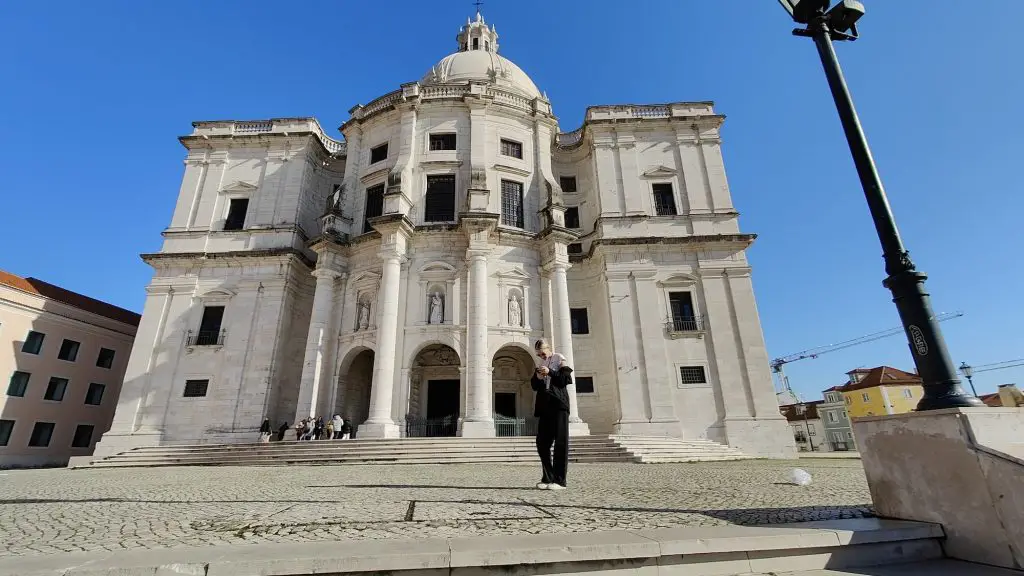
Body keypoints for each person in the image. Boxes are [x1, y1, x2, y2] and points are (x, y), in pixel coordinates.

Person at [531, 338, 571, 490]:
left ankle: (560, 481)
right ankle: (548, 478)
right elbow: (534, 387)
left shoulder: (559, 359)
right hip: (545, 407)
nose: (541, 356)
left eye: (542, 353)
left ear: (548, 348)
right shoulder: (541, 364)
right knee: (542, 443)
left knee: (561, 443)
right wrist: (538, 377)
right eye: (538, 354)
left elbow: (565, 379)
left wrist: (551, 372)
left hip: (559, 405)